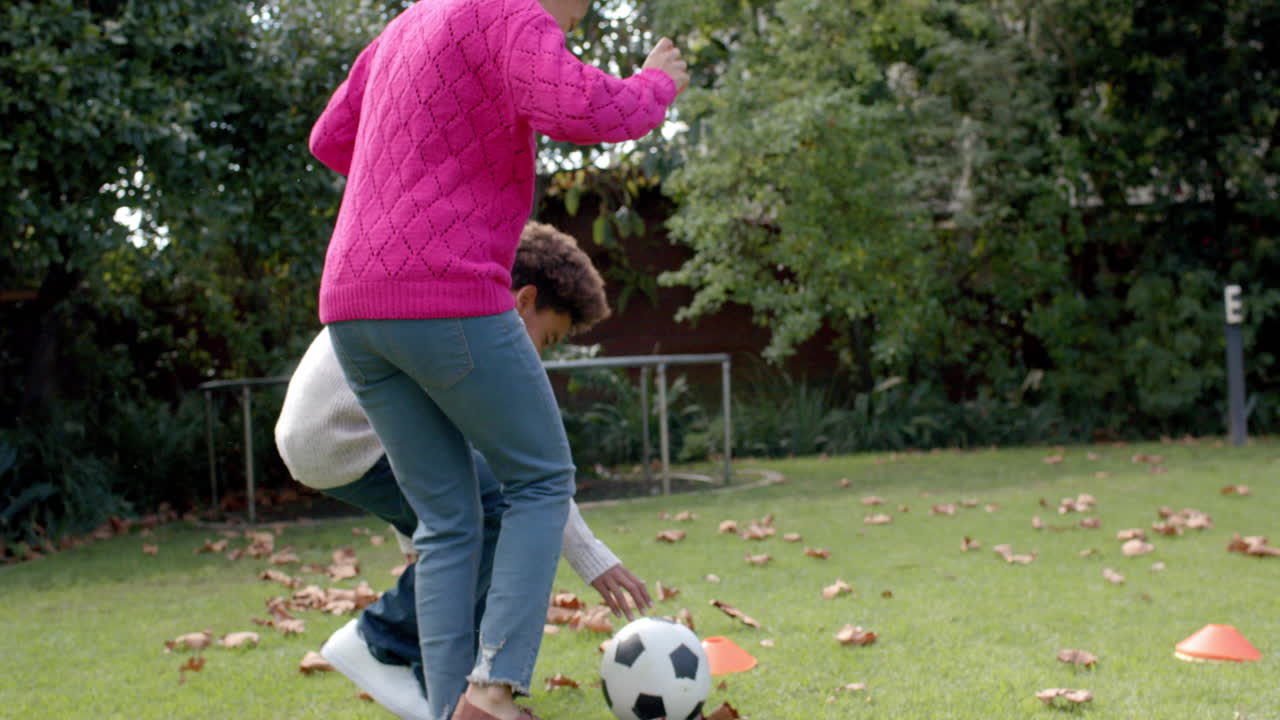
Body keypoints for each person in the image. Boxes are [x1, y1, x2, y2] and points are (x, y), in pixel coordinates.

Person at [309, 0, 688, 715]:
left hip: (351, 306)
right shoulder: (511, 13)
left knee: (449, 520)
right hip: (445, 290)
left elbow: (332, 138)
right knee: (541, 479)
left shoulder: (408, 23)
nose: (580, 14)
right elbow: (586, 108)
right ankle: (494, 687)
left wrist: (416, 162)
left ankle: (454, 702)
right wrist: (655, 83)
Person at [275, 223, 651, 720]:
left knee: (468, 524)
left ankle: (446, 687)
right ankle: (382, 641)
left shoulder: (443, 288)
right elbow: (526, 477)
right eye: (549, 337)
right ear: (523, 300)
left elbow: (434, 454)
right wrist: (590, 556)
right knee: (490, 514)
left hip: (327, 438)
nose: (540, 354)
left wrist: (415, 546)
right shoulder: (471, 321)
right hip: (342, 439)